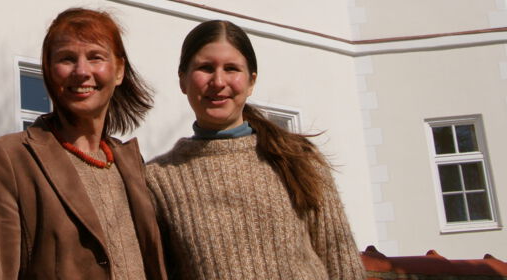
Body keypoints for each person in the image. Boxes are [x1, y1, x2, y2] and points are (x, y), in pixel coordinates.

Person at [145, 20, 365, 279]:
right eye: (205, 68)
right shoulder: (159, 179)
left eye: (231, 69)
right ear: (183, 80)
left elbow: (342, 262)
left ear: (251, 82)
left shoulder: (296, 158)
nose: (218, 81)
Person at [0, 8, 168, 280]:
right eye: (66, 59)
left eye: (96, 57)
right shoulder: (9, 160)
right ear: (49, 72)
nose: (82, 71)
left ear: (119, 71)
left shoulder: (134, 166)